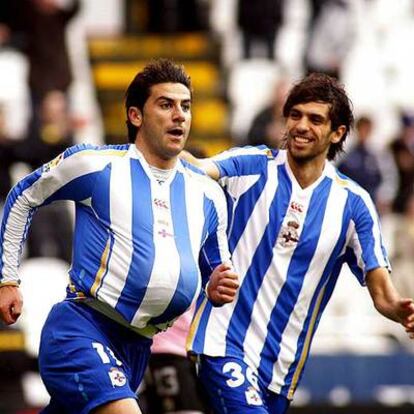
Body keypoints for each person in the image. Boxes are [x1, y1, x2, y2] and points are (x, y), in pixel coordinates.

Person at [0, 59, 239, 414]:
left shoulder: (208, 194)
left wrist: (218, 285)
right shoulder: (96, 166)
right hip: (81, 329)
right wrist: (7, 278)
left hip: (137, 348)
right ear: (135, 116)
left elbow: (216, 269)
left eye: (185, 106)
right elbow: (24, 196)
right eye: (166, 104)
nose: (179, 116)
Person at [182, 73, 414, 414]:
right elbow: (200, 168)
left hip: (281, 369)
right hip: (221, 345)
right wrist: (157, 149)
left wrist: (399, 310)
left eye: (315, 119)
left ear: (337, 133)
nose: (301, 126)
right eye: (295, 115)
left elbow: (382, 293)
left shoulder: (353, 204)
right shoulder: (253, 166)